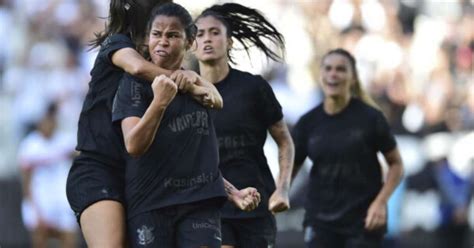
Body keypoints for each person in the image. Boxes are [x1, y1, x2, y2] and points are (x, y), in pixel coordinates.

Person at [112, 3, 261, 247]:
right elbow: (133, 145)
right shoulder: (134, 84)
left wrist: (233, 192)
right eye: (157, 34)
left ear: (190, 42)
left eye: (172, 35)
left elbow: (197, 160)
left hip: (199, 205)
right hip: (151, 203)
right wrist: (159, 102)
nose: (162, 41)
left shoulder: (197, 89)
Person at [65, 1, 203, 247]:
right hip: (99, 169)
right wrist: (194, 85)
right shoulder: (117, 44)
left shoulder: (160, 60)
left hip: (142, 175)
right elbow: (137, 68)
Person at [193, 3, 295, 247]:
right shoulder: (185, 93)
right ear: (191, 44)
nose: (207, 39)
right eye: (199, 33)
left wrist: (282, 189)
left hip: (256, 204)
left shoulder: (254, 88)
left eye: (215, 32)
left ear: (229, 42)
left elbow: (284, 141)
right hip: (211, 207)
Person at [291, 48, 404, 248]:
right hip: (320, 221)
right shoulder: (308, 122)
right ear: (321, 76)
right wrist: (278, 192)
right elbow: (290, 166)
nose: (333, 74)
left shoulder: (371, 118)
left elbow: (396, 165)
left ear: (352, 78)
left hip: (363, 221)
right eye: (328, 69)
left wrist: (380, 203)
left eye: (341, 69)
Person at [18, 103, 77, 248]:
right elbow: (25, 178)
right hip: (40, 199)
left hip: (62, 200)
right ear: (39, 123)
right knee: (39, 239)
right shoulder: (30, 145)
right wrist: (33, 206)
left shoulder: (65, 141)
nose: (49, 124)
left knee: (69, 238)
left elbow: (81, 155)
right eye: (45, 121)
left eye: (52, 121)